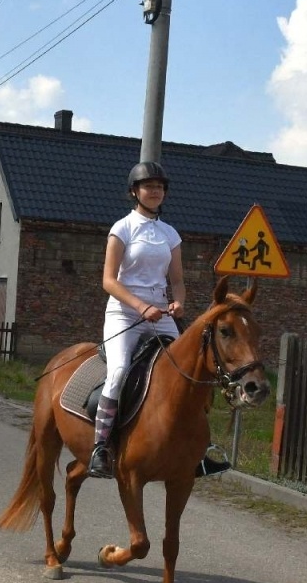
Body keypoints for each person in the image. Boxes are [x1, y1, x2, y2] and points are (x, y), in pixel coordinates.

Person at [89, 162, 229, 479]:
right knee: (120, 369)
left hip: (161, 313)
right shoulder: (121, 229)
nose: (155, 191)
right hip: (124, 311)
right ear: (134, 192)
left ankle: (200, 450)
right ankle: (101, 446)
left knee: (192, 370)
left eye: (160, 187)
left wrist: (178, 302)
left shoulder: (170, 234)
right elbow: (108, 281)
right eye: (149, 186)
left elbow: (176, 280)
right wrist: (140, 306)